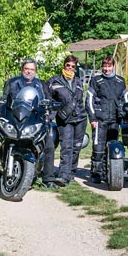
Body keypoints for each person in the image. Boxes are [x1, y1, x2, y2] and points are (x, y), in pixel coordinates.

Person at [0, 59, 56, 191]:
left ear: (35, 71)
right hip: (15, 119)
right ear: (22, 70)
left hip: (34, 121)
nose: (29, 71)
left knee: (49, 145)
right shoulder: (12, 83)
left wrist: (48, 116)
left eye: (32, 69)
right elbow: (4, 101)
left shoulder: (41, 85)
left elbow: (49, 102)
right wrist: (1, 113)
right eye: (26, 69)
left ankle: (48, 179)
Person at [85, 55, 127, 183]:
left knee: (112, 146)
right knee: (98, 147)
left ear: (113, 66)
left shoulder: (120, 81)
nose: (106, 69)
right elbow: (89, 100)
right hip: (100, 120)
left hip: (115, 120)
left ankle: (111, 173)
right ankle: (96, 173)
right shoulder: (96, 80)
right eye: (104, 66)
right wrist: (92, 118)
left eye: (109, 66)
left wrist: (125, 116)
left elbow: (125, 100)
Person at [48, 55, 87, 187]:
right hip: (65, 119)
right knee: (66, 147)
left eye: (73, 66)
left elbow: (81, 100)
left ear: (75, 68)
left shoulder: (78, 82)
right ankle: (63, 176)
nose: (70, 68)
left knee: (76, 148)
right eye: (68, 65)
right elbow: (50, 101)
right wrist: (49, 117)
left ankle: (71, 173)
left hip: (80, 118)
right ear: (64, 66)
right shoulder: (54, 81)